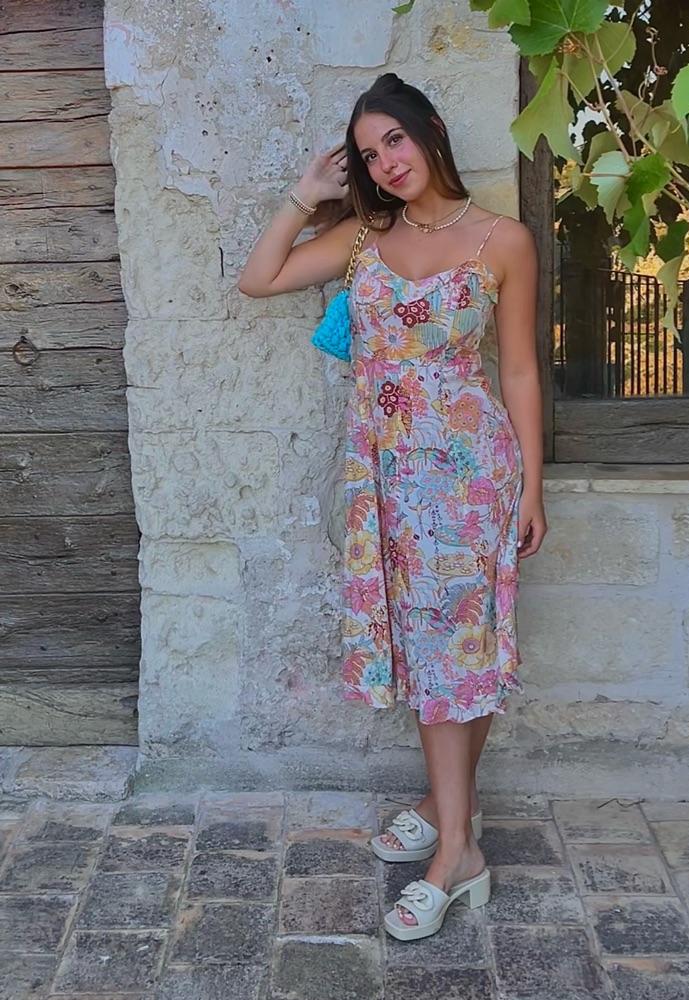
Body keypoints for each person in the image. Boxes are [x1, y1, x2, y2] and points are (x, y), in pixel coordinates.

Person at [238, 72, 546, 941]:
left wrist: (531, 484)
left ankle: (456, 855)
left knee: (458, 654)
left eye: (394, 141)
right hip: (385, 481)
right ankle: (450, 809)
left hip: (471, 477)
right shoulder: (365, 235)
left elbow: (519, 370)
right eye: (370, 154)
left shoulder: (504, 240)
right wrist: (306, 194)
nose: (386, 163)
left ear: (431, 130)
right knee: (429, 654)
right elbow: (260, 279)